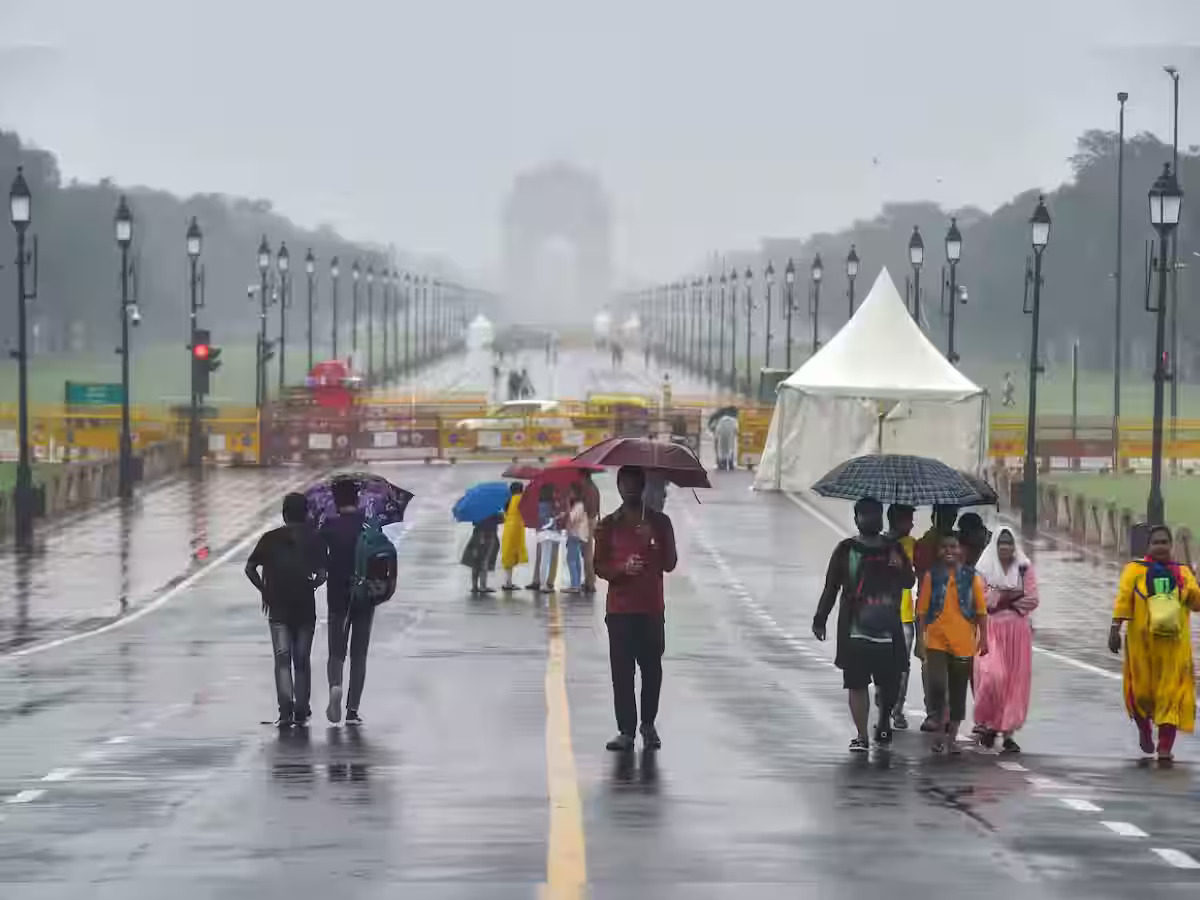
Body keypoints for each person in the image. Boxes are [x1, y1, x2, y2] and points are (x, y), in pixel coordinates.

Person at [813, 497, 913, 753]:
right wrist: (820, 618)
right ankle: (861, 735)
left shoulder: (893, 548)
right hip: (855, 630)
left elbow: (909, 582)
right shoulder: (845, 550)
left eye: (875, 513)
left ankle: (882, 721)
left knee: (889, 682)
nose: (871, 518)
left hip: (888, 629)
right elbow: (831, 586)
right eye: (865, 514)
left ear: (882, 518)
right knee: (856, 683)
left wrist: (901, 567)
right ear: (856, 518)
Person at [594, 466, 678, 751]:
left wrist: (653, 540)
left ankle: (648, 724)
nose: (629, 488)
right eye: (624, 483)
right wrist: (622, 568)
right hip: (620, 611)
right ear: (618, 487)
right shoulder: (608, 525)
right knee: (622, 672)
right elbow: (599, 566)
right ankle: (626, 730)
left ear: (643, 487)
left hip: (651, 609)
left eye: (634, 483)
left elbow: (670, 563)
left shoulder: (660, 522)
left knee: (652, 669)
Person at [1109, 524, 1200, 761]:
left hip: (1174, 649)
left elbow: (1196, 604)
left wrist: (1194, 583)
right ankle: (1144, 730)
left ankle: (1165, 747)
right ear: (1149, 546)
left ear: (1171, 546)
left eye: (1165, 542)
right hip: (1141, 647)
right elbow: (1123, 600)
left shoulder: (1183, 572)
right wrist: (1114, 628)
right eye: (1156, 542)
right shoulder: (1134, 571)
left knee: (1171, 695)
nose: (1161, 547)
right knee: (1140, 695)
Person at [245, 493, 327, 728]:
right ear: (305, 513)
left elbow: (250, 568)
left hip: (278, 608)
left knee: (282, 660)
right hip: (304, 608)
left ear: (284, 514)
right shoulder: (314, 539)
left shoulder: (269, 539)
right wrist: (310, 585)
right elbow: (322, 574)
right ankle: (301, 710)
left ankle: (285, 712)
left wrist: (264, 590)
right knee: (302, 660)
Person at [916, 533, 989, 754]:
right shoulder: (933, 576)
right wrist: (921, 638)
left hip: (964, 642)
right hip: (937, 641)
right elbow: (921, 611)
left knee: (958, 692)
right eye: (944, 547)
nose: (949, 551)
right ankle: (939, 732)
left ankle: (951, 738)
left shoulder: (972, 578)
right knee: (938, 686)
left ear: (961, 551)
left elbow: (981, 610)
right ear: (939, 552)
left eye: (953, 546)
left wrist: (983, 638)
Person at [973, 527, 1039, 752]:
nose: (1005, 548)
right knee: (993, 676)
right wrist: (1003, 598)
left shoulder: (1024, 568)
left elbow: (1032, 598)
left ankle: (1008, 732)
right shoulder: (983, 569)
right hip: (991, 629)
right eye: (1001, 543)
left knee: (1015, 683)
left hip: (1017, 632)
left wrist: (1003, 600)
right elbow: (981, 600)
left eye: (1009, 543)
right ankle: (989, 723)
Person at [319, 478, 373, 726]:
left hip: (337, 595)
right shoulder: (369, 526)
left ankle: (335, 686)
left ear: (337, 501)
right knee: (359, 654)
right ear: (357, 499)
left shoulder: (329, 526)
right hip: (365, 595)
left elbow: (318, 559)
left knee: (336, 649)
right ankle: (353, 710)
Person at [912, 504, 958, 726]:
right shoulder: (925, 544)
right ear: (934, 517)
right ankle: (932, 711)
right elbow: (920, 576)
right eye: (945, 515)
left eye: (952, 515)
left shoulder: (958, 546)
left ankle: (945, 711)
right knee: (929, 663)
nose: (949, 519)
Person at [885, 504, 917, 730]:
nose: (912, 524)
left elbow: (913, 578)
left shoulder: (913, 545)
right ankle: (884, 700)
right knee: (882, 664)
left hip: (906, 614)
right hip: (883, 614)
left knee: (903, 666)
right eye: (908, 520)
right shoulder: (878, 544)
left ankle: (897, 709)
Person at [463, 511, 503, 593]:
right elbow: (501, 520)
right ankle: (483, 586)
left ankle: (474, 586)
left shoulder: (478, 509)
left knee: (476, 560)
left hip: (477, 536)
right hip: (489, 535)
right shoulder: (493, 509)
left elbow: (474, 522)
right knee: (485, 560)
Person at [534, 483, 563, 592]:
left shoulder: (539, 504)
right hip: (549, 532)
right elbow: (553, 519)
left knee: (543, 558)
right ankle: (544, 584)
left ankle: (542, 583)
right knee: (546, 557)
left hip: (541, 531)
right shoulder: (552, 504)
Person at [500, 482, 528, 591]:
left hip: (508, 528)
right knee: (513, 554)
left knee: (508, 555)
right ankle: (508, 583)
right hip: (517, 528)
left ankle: (508, 581)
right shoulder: (520, 498)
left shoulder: (508, 500)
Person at [564, 483, 590, 593]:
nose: (569, 494)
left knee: (571, 560)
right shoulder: (581, 505)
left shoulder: (578, 505)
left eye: (571, 492)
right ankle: (577, 583)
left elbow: (571, 519)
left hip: (574, 535)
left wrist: (567, 505)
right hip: (580, 535)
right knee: (576, 560)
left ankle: (575, 585)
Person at [580, 472, 601, 594]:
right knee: (588, 552)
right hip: (593, 520)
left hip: (587, 521)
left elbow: (585, 507)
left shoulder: (586, 489)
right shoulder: (595, 488)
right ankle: (589, 579)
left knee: (587, 553)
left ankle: (590, 582)